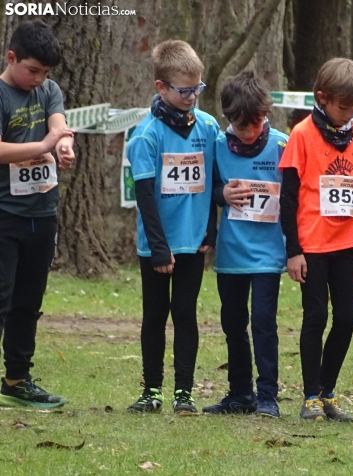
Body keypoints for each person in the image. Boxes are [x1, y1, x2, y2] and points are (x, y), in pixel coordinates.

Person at [279, 58, 353, 421]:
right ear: (322, 98)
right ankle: (309, 397)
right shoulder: (302, 134)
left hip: (347, 243)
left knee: (348, 318)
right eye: (342, 106)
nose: (348, 114)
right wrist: (294, 251)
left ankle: (328, 390)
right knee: (315, 316)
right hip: (313, 245)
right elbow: (288, 197)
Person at [126, 40, 219, 414]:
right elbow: (146, 198)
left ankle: (184, 392)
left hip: (193, 242)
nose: (192, 96)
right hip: (157, 245)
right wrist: (159, 248)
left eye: (198, 88)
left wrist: (210, 232)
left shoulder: (209, 127)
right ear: (161, 87)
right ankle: (152, 391)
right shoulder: (146, 135)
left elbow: (214, 183)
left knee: (185, 312)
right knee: (155, 315)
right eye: (184, 90)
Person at [202, 72, 287, 418]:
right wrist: (222, 193)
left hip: (268, 254)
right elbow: (206, 189)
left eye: (257, 123)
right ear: (228, 118)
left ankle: (268, 395)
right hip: (232, 253)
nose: (250, 131)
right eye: (241, 126)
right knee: (233, 323)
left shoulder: (282, 144)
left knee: (264, 321)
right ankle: (240, 393)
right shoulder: (217, 146)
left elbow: (297, 195)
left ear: (266, 114)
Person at [0, 20, 74, 408]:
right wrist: (41, 145)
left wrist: (62, 144)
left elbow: (57, 123)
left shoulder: (47, 89)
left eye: (45, 73)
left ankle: (16, 379)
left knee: (29, 301)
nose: (39, 79)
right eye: (33, 70)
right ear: (11, 58)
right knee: (1, 298)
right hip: (4, 215)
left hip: (41, 214)